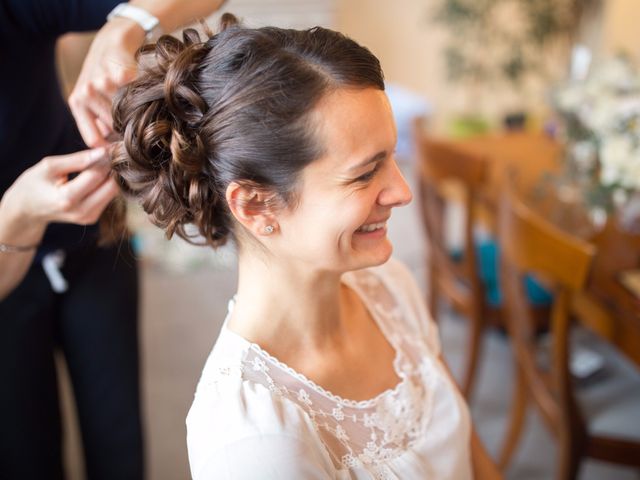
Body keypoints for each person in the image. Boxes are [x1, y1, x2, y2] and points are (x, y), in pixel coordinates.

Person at [111, 14, 502, 479]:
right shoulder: (252, 438)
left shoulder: (387, 286)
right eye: (364, 173)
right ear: (256, 206)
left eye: (392, 158)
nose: (402, 191)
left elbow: (472, 455)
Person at [0, 1, 225, 479]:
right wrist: (17, 216)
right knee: (23, 449)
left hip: (93, 241)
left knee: (118, 431)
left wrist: (126, 26)